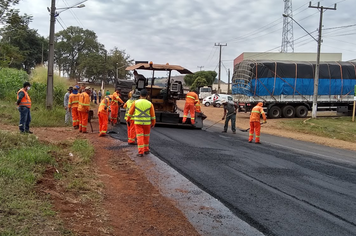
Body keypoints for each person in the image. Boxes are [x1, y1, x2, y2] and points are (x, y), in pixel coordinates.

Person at [127, 89, 156, 157]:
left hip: (138, 123)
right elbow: (153, 115)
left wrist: (128, 120)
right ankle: (146, 149)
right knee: (146, 137)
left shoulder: (136, 102)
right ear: (147, 96)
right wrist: (153, 123)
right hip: (147, 124)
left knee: (140, 137)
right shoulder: (150, 104)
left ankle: (140, 152)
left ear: (140, 95)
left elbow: (130, 112)